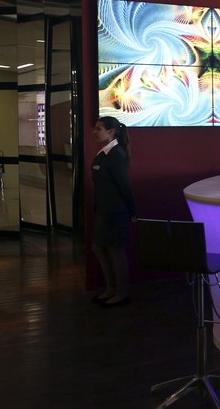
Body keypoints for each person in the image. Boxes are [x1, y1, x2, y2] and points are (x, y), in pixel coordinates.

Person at [91, 116, 136, 307]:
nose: (95, 132)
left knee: (115, 250)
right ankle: (111, 289)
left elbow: (124, 186)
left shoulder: (116, 154)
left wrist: (132, 210)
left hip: (115, 212)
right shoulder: (104, 153)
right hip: (104, 210)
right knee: (99, 247)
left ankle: (121, 293)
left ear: (111, 132)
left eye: (99, 128)